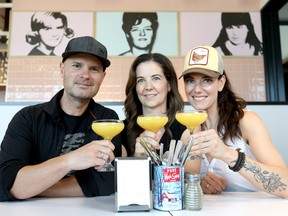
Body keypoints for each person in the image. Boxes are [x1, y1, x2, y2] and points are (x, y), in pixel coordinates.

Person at [0, 36, 122, 201]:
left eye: (94, 69)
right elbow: (8, 182)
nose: (85, 75)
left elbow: (105, 182)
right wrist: (71, 160)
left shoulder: (108, 120)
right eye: (77, 66)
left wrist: (33, 186)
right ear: (62, 68)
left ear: (103, 76)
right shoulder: (28, 118)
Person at [180, 45, 288, 199]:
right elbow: (188, 182)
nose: (197, 89)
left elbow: (286, 185)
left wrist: (226, 153)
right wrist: (200, 183)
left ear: (221, 82)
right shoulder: (190, 131)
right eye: (190, 80)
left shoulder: (246, 121)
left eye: (207, 80)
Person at [122, 53, 185, 157]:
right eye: (141, 80)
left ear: (169, 85)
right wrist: (138, 158)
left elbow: (192, 171)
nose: (148, 87)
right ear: (135, 87)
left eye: (156, 78)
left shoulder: (186, 127)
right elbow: (118, 173)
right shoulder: (121, 131)